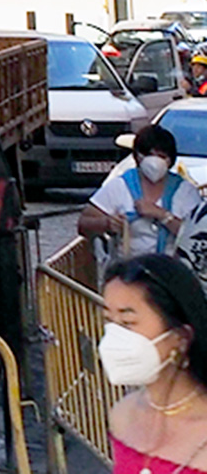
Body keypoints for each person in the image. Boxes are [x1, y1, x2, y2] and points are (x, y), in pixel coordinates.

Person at [103, 254, 207, 473]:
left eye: (128, 322)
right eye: (109, 322)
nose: (113, 338)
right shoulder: (123, 416)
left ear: (181, 337)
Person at [81, 126, 202, 261]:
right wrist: (107, 223)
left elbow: (198, 236)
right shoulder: (120, 185)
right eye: (150, 155)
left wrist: (163, 216)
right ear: (138, 156)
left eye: (162, 156)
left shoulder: (185, 191)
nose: (155, 162)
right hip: (128, 268)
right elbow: (84, 223)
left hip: (174, 268)